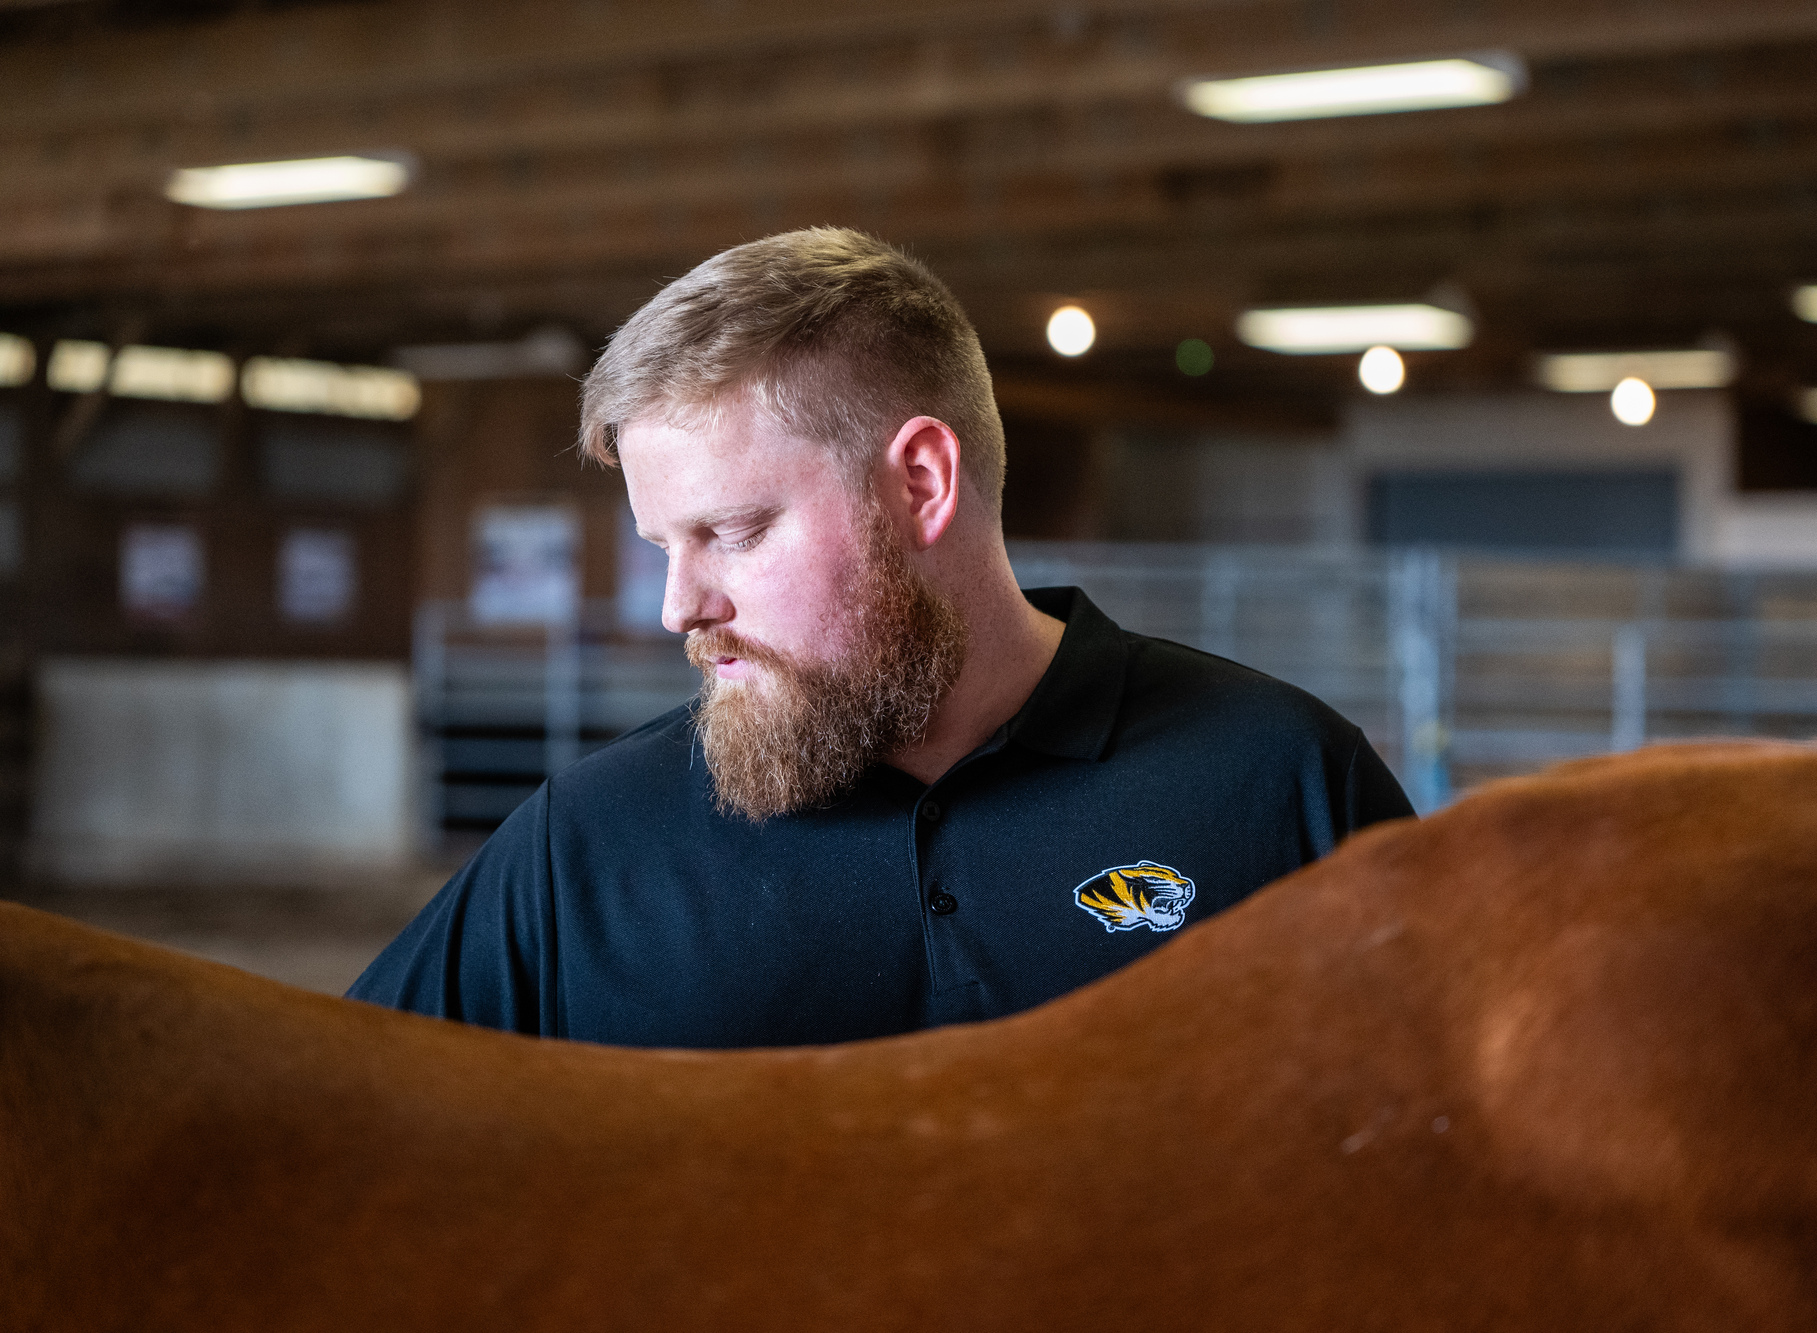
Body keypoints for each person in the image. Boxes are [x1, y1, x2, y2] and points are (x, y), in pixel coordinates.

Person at [349, 227, 1414, 1047]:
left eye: (732, 531)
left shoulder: (1283, 787)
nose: (677, 607)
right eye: (661, 546)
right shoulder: (584, 849)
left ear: (920, 483)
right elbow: (332, 1130)